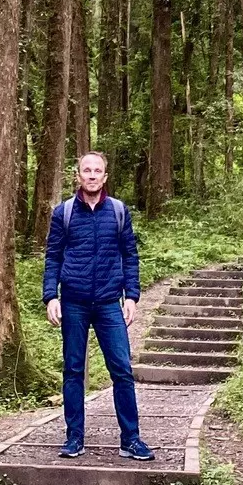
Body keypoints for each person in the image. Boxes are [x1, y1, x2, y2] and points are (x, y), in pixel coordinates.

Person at [42, 151, 154, 460]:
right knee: (73, 369)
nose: (92, 175)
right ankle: (74, 437)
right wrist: (51, 295)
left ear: (105, 177)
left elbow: (130, 256)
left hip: (108, 303)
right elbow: (53, 256)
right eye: (86, 170)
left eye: (97, 171)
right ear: (78, 175)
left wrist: (131, 296)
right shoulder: (63, 213)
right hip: (74, 302)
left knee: (122, 369)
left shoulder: (118, 211)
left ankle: (131, 439)